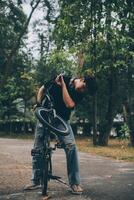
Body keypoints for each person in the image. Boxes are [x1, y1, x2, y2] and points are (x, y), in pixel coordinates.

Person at [24, 74, 97, 194]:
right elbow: (42, 89)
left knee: (71, 146)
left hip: (62, 120)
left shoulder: (79, 93)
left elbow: (69, 104)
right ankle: (36, 181)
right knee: (38, 148)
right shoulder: (61, 77)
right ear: (82, 79)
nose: (83, 91)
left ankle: (74, 183)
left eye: (85, 91)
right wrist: (38, 104)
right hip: (45, 114)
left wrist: (63, 85)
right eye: (84, 87)